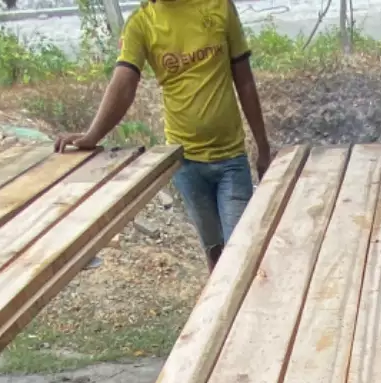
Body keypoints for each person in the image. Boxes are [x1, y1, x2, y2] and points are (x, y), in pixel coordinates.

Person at [56, 0, 271, 271]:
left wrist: (263, 148)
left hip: (230, 160)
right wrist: (92, 135)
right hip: (186, 164)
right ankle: (217, 298)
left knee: (241, 253)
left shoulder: (219, 6)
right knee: (214, 250)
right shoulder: (142, 23)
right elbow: (124, 84)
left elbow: (245, 81)